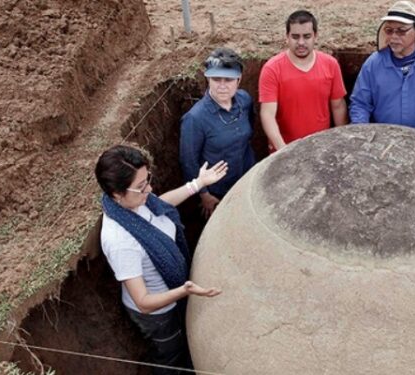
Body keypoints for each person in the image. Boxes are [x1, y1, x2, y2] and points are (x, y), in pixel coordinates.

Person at [96, 145, 226, 374]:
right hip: (159, 315)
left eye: (147, 180)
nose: (149, 189)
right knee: (170, 353)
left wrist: (198, 183)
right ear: (117, 193)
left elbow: (159, 207)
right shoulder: (120, 241)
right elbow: (144, 302)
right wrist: (184, 290)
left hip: (173, 291)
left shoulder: (136, 202)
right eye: (140, 187)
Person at [349, 1, 415, 138]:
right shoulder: (374, 63)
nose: (394, 37)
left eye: (401, 31)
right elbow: (360, 103)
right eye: (389, 30)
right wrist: (363, 135)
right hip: (384, 142)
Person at [179, 47, 256, 219]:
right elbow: (188, 162)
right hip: (218, 191)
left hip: (246, 179)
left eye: (228, 80)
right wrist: (204, 195)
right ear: (207, 79)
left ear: (239, 79)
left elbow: (250, 130)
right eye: (216, 79)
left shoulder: (244, 100)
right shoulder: (195, 119)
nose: (222, 86)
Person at [259, 10, 348, 152]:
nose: (301, 42)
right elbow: (268, 114)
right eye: (295, 37)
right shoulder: (272, 69)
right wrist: (282, 150)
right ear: (287, 37)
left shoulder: (330, 65)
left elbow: (338, 106)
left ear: (315, 36)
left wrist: (342, 141)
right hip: (285, 149)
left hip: (320, 147)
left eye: (306, 36)